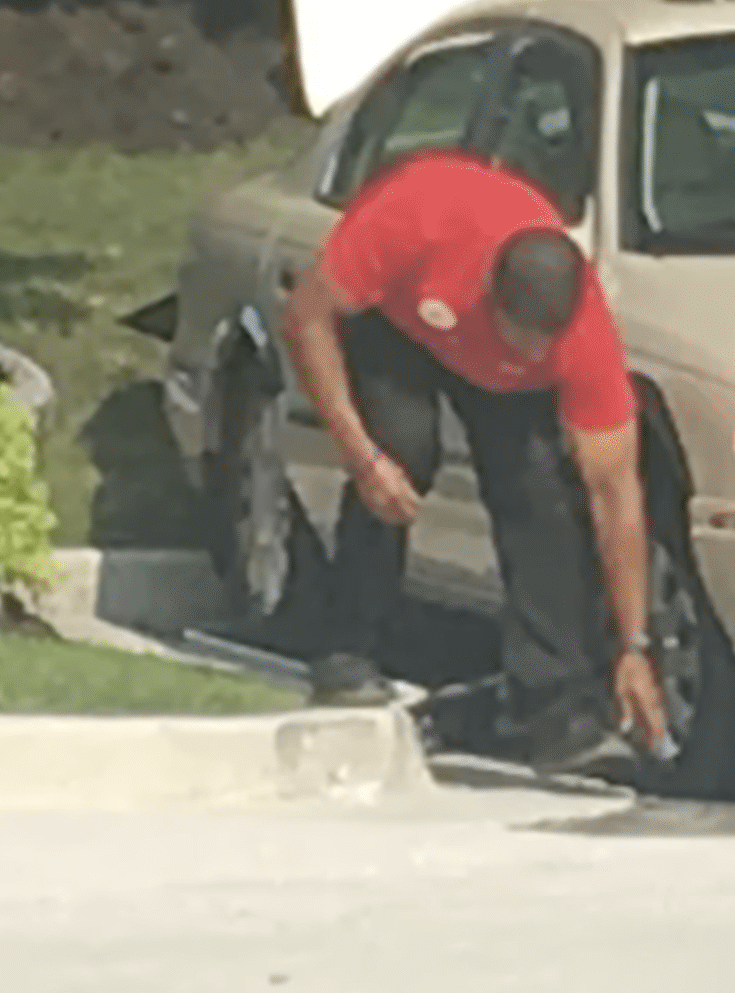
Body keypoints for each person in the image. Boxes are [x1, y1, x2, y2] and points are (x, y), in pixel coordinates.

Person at [275, 146, 671, 774]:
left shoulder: (584, 340)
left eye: (541, 349)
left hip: (487, 372)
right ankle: (348, 647)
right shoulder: (416, 221)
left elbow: (616, 494)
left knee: (541, 493)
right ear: (487, 296)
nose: (526, 356)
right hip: (397, 321)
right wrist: (361, 455)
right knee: (404, 448)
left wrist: (633, 645)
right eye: (518, 340)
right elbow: (305, 317)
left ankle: (550, 704)